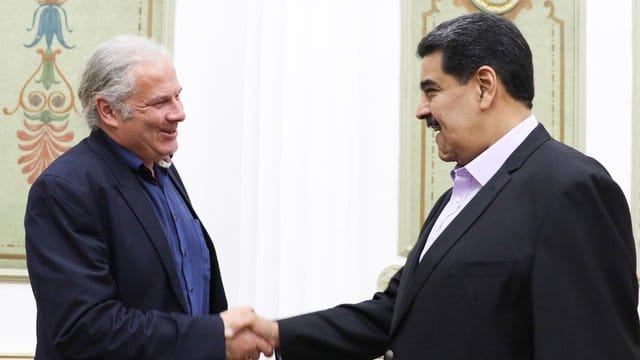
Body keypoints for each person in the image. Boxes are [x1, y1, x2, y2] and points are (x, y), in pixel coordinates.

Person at [237, 12, 640, 359]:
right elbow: (395, 312)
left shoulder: (573, 189)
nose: (421, 110)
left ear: (484, 86)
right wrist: (277, 333)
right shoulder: (457, 197)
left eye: (432, 90)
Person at [24, 35, 272, 360]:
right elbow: (82, 329)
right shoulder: (66, 190)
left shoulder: (163, 170)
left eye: (178, 97)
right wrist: (212, 336)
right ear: (109, 111)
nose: (179, 113)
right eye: (160, 102)